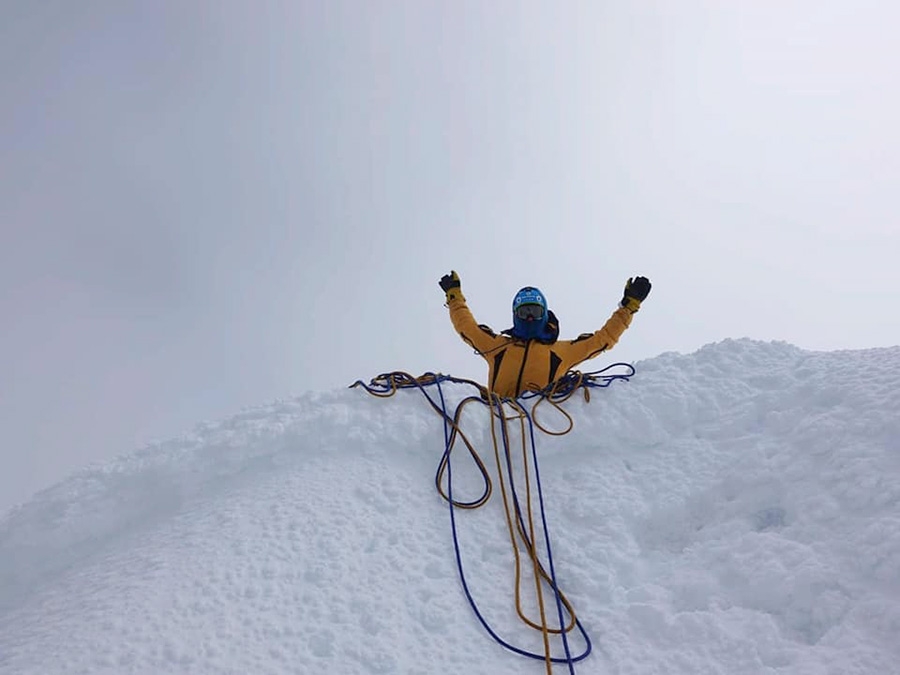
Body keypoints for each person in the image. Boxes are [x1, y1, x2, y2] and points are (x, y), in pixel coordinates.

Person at [439, 271, 651, 398]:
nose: (530, 318)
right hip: (497, 418)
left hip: (540, 423)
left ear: (544, 314)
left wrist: (628, 307)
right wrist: (455, 297)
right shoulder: (498, 347)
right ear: (515, 315)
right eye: (524, 312)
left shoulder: (562, 351)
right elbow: (467, 328)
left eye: (534, 311)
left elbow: (602, 340)